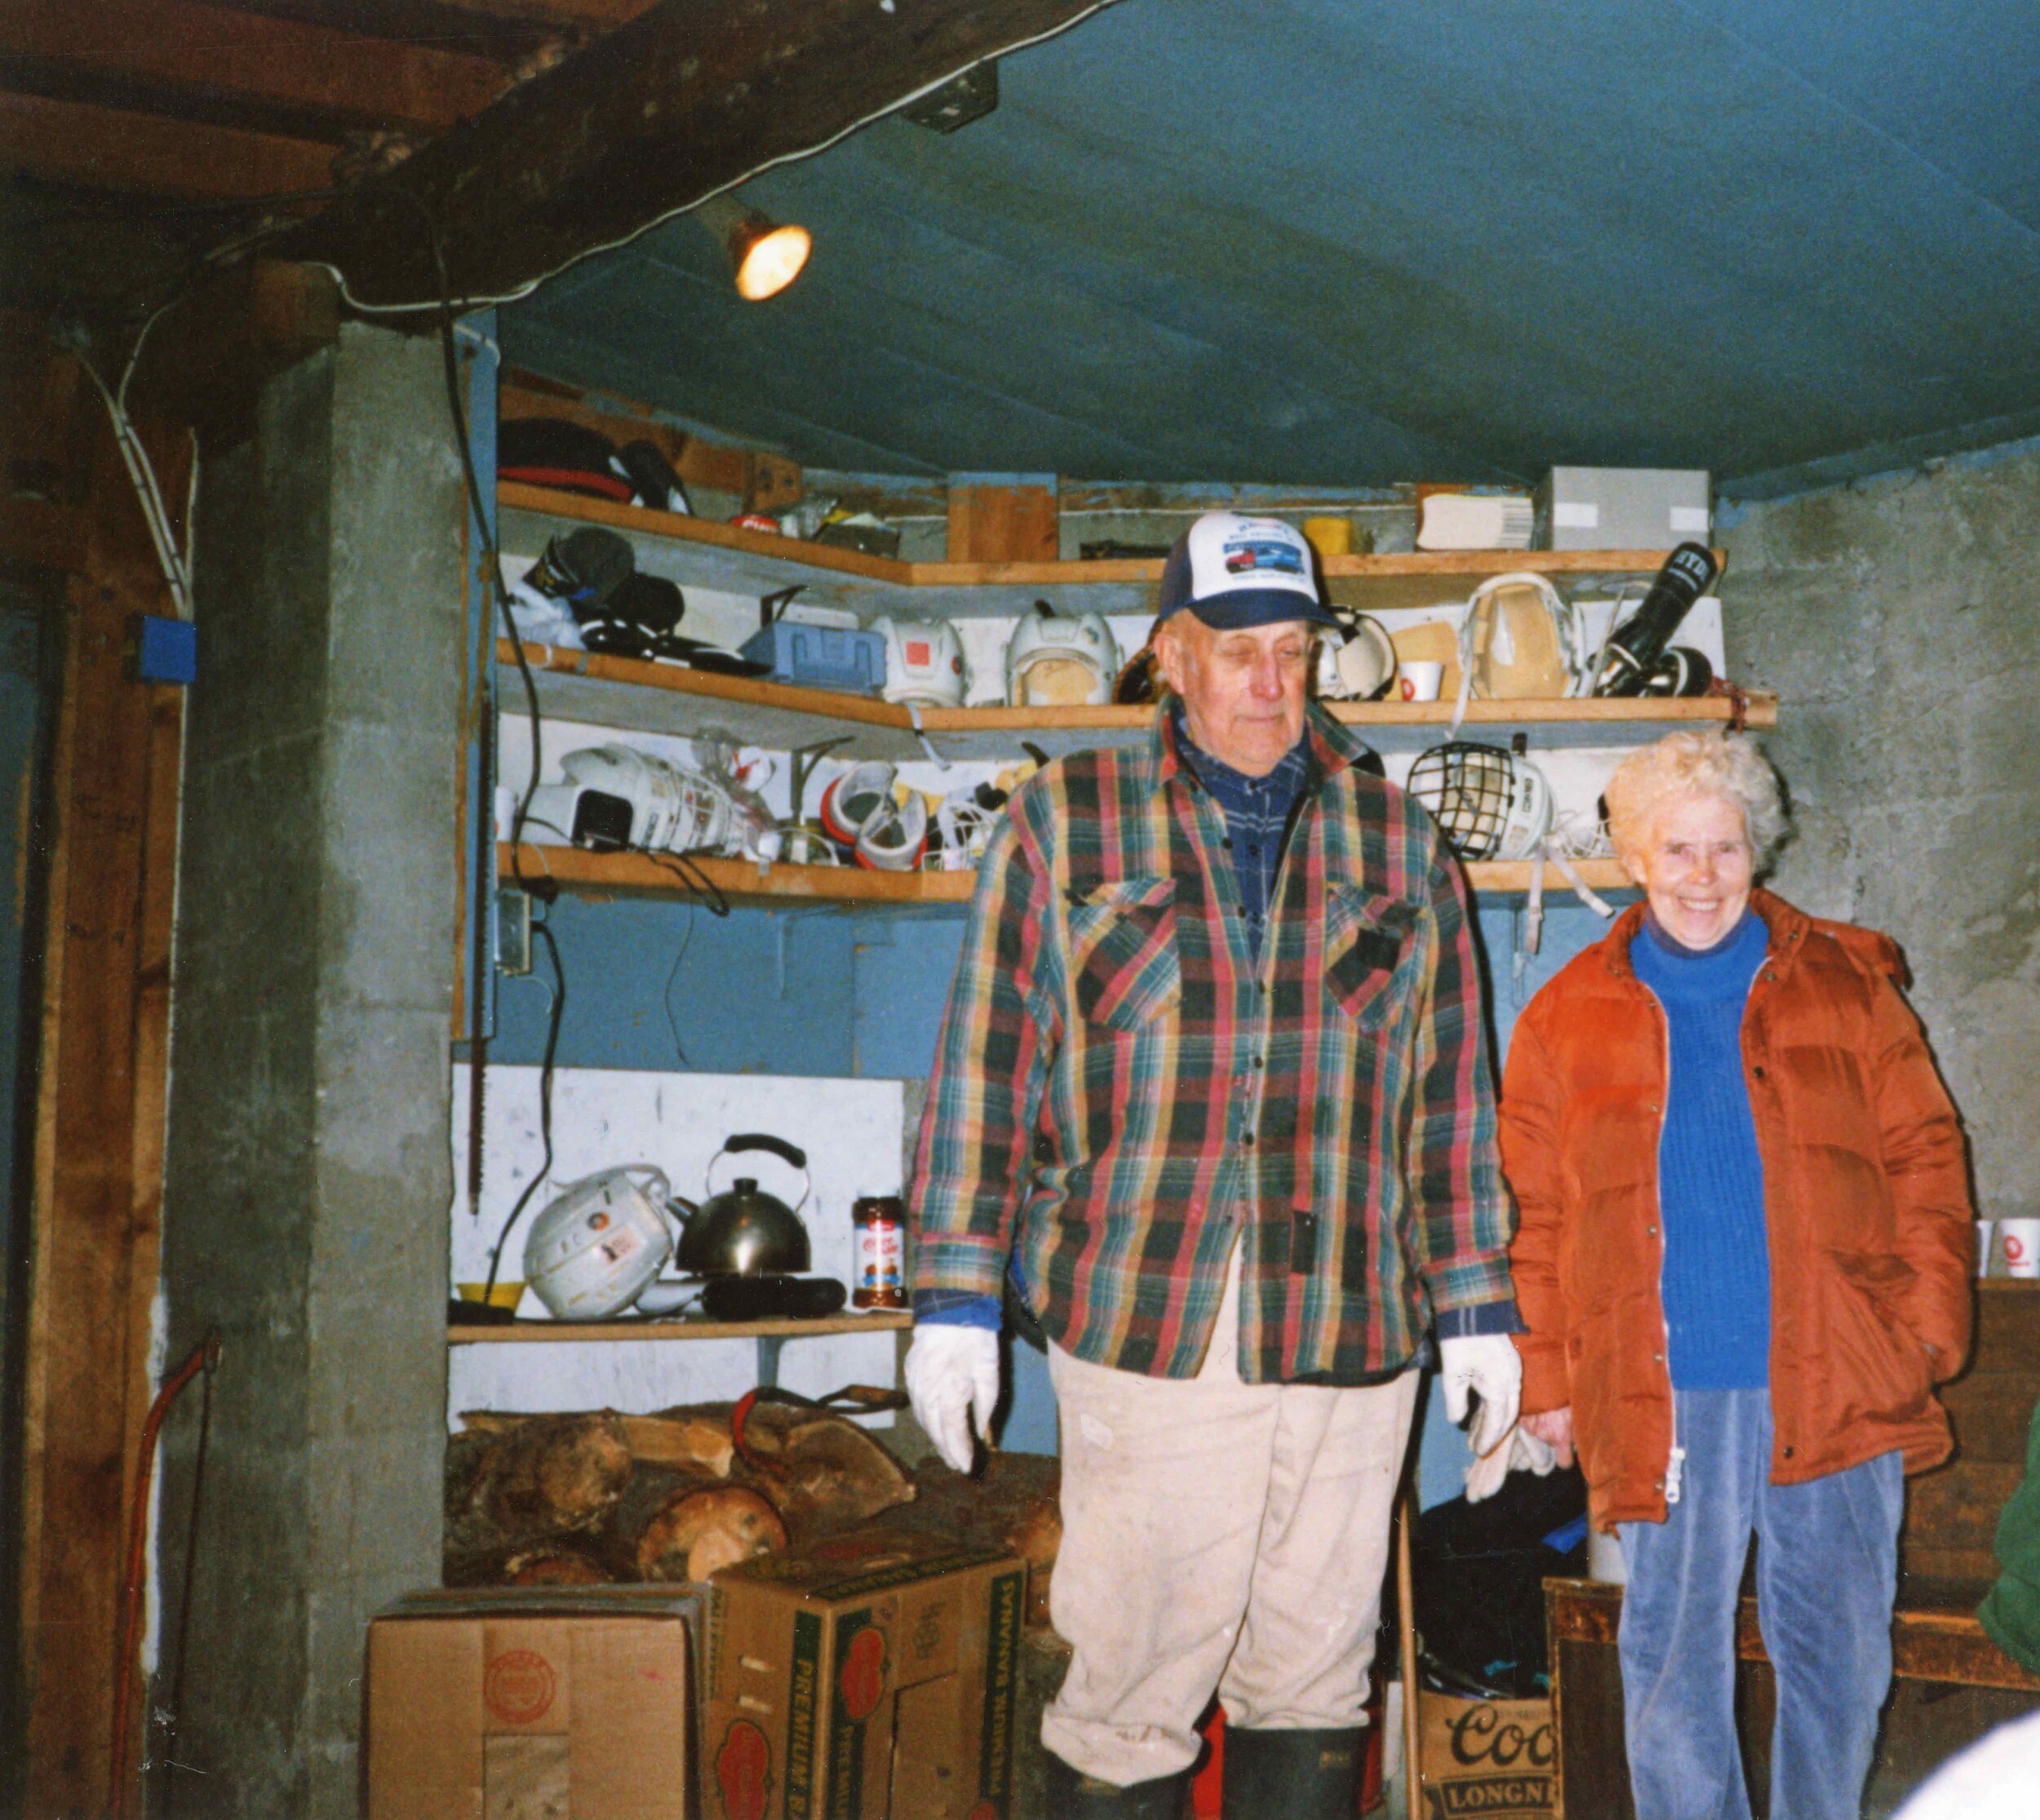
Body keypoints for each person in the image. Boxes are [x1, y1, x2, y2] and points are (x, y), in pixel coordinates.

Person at [905, 511, 1523, 1818]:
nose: (1267, 684)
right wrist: (954, 1296)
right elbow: (985, 1069)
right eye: (1234, 651)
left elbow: (1450, 1100)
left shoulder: (1401, 842)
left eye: (1293, 651)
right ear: (1169, 658)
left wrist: (1476, 1310)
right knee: (1132, 1688)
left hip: (1356, 1326)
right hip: (1151, 1315)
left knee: (1317, 1682)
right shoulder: (1059, 824)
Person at [1500, 730, 1974, 1820]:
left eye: (1726, 848)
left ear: (1756, 850)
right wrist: (1551, 1380)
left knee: (1840, 1663)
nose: (1703, 877)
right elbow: (1529, 1213)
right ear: (1634, 856)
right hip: (1661, 1393)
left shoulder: (1848, 987)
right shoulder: (1565, 1016)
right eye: (1679, 850)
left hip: (1842, 1380)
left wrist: (1929, 1332)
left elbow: (1927, 1158)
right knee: (1670, 1669)